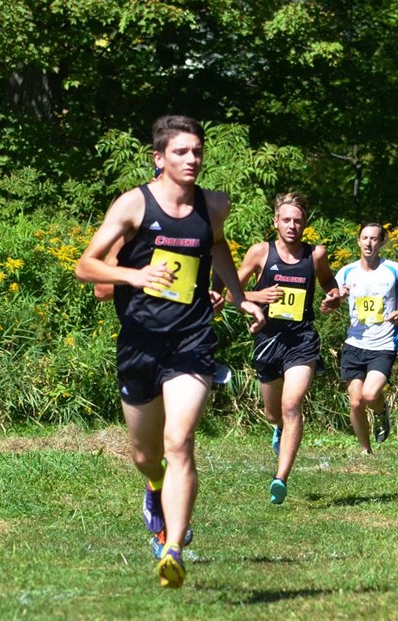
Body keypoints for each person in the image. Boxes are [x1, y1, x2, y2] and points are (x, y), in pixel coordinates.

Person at [75, 115, 264, 588]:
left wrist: (239, 297)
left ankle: (173, 547)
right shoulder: (133, 205)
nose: (192, 160)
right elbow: (86, 266)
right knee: (145, 453)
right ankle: (153, 490)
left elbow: (217, 246)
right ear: (159, 158)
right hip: (139, 342)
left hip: (191, 340)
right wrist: (134, 276)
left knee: (179, 440)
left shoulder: (214, 205)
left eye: (197, 152)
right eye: (181, 152)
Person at [232, 192, 342, 504]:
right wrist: (258, 296)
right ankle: (278, 428)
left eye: (298, 220)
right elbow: (231, 293)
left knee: (292, 405)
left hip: (301, 340)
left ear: (304, 224)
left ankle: (280, 478)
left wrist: (333, 298)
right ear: (275, 222)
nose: (292, 225)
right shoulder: (259, 253)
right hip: (268, 340)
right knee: (273, 412)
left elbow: (328, 285)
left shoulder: (315, 255)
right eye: (286, 220)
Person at [335, 223, 398, 455]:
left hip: (383, 344)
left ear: (382, 242)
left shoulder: (394, 270)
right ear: (358, 241)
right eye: (364, 238)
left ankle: (381, 412)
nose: (368, 243)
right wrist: (337, 297)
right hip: (354, 343)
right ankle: (366, 450)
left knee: (370, 395)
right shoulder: (346, 271)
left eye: (374, 238)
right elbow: (330, 302)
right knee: (355, 402)